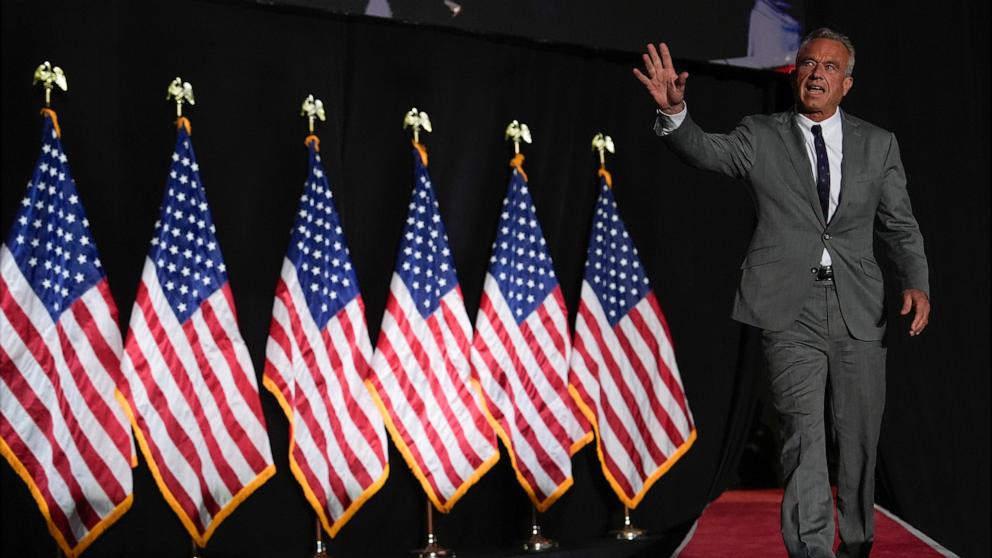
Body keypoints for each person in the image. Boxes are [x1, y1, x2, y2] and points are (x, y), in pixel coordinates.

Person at [634, 28, 930, 558]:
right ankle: (812, 551)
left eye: (830, 67)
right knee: (803, 438)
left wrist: (916, 282)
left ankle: (856, 542)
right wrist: (676, 115)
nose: (817, 73)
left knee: (859, 442)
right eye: (808, 63)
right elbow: (705, 152)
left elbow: (900, 226)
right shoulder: (761, 134)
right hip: (788, 310)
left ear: (847, 84)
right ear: (796, 74)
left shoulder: (877, 143)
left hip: (858, 309)